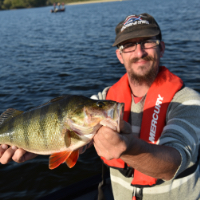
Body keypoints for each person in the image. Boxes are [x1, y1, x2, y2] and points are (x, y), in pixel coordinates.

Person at [1, 13, 200, 200]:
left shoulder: (187, 101)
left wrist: (128, 149)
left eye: (148, 42)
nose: (139, 52)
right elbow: (75, 129)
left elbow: (172, 163)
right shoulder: (105, 99)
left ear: (162, 48)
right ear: (119, 56)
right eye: (129, 45)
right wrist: (38, 146)